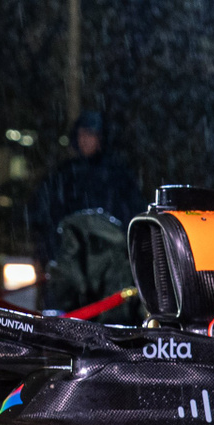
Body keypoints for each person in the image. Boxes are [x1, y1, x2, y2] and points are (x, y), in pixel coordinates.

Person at [24, 112, 145, 313]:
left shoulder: (118, 176)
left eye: (91, 134)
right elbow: (43, 214)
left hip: (108, 270)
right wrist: (46, 252)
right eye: (82, 134)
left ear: (101, 138)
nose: (85, 140)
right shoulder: (64, 175)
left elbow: (131, 217)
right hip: (70, 267)